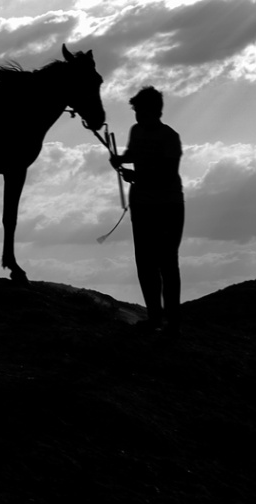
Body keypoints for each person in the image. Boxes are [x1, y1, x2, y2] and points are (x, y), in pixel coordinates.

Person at [110, 86, 184, 334]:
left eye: (141, 111)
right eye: (136, 112)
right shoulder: (137, 130)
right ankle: (155, 317)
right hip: (143, 204)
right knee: (145, 263)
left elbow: (167, 174)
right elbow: (133, 153)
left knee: (166, 262)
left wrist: (137, 175)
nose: (138, 116)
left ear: (156, 111)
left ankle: (171, 320)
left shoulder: (170, 137)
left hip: (167, 206)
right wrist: (121, 159)